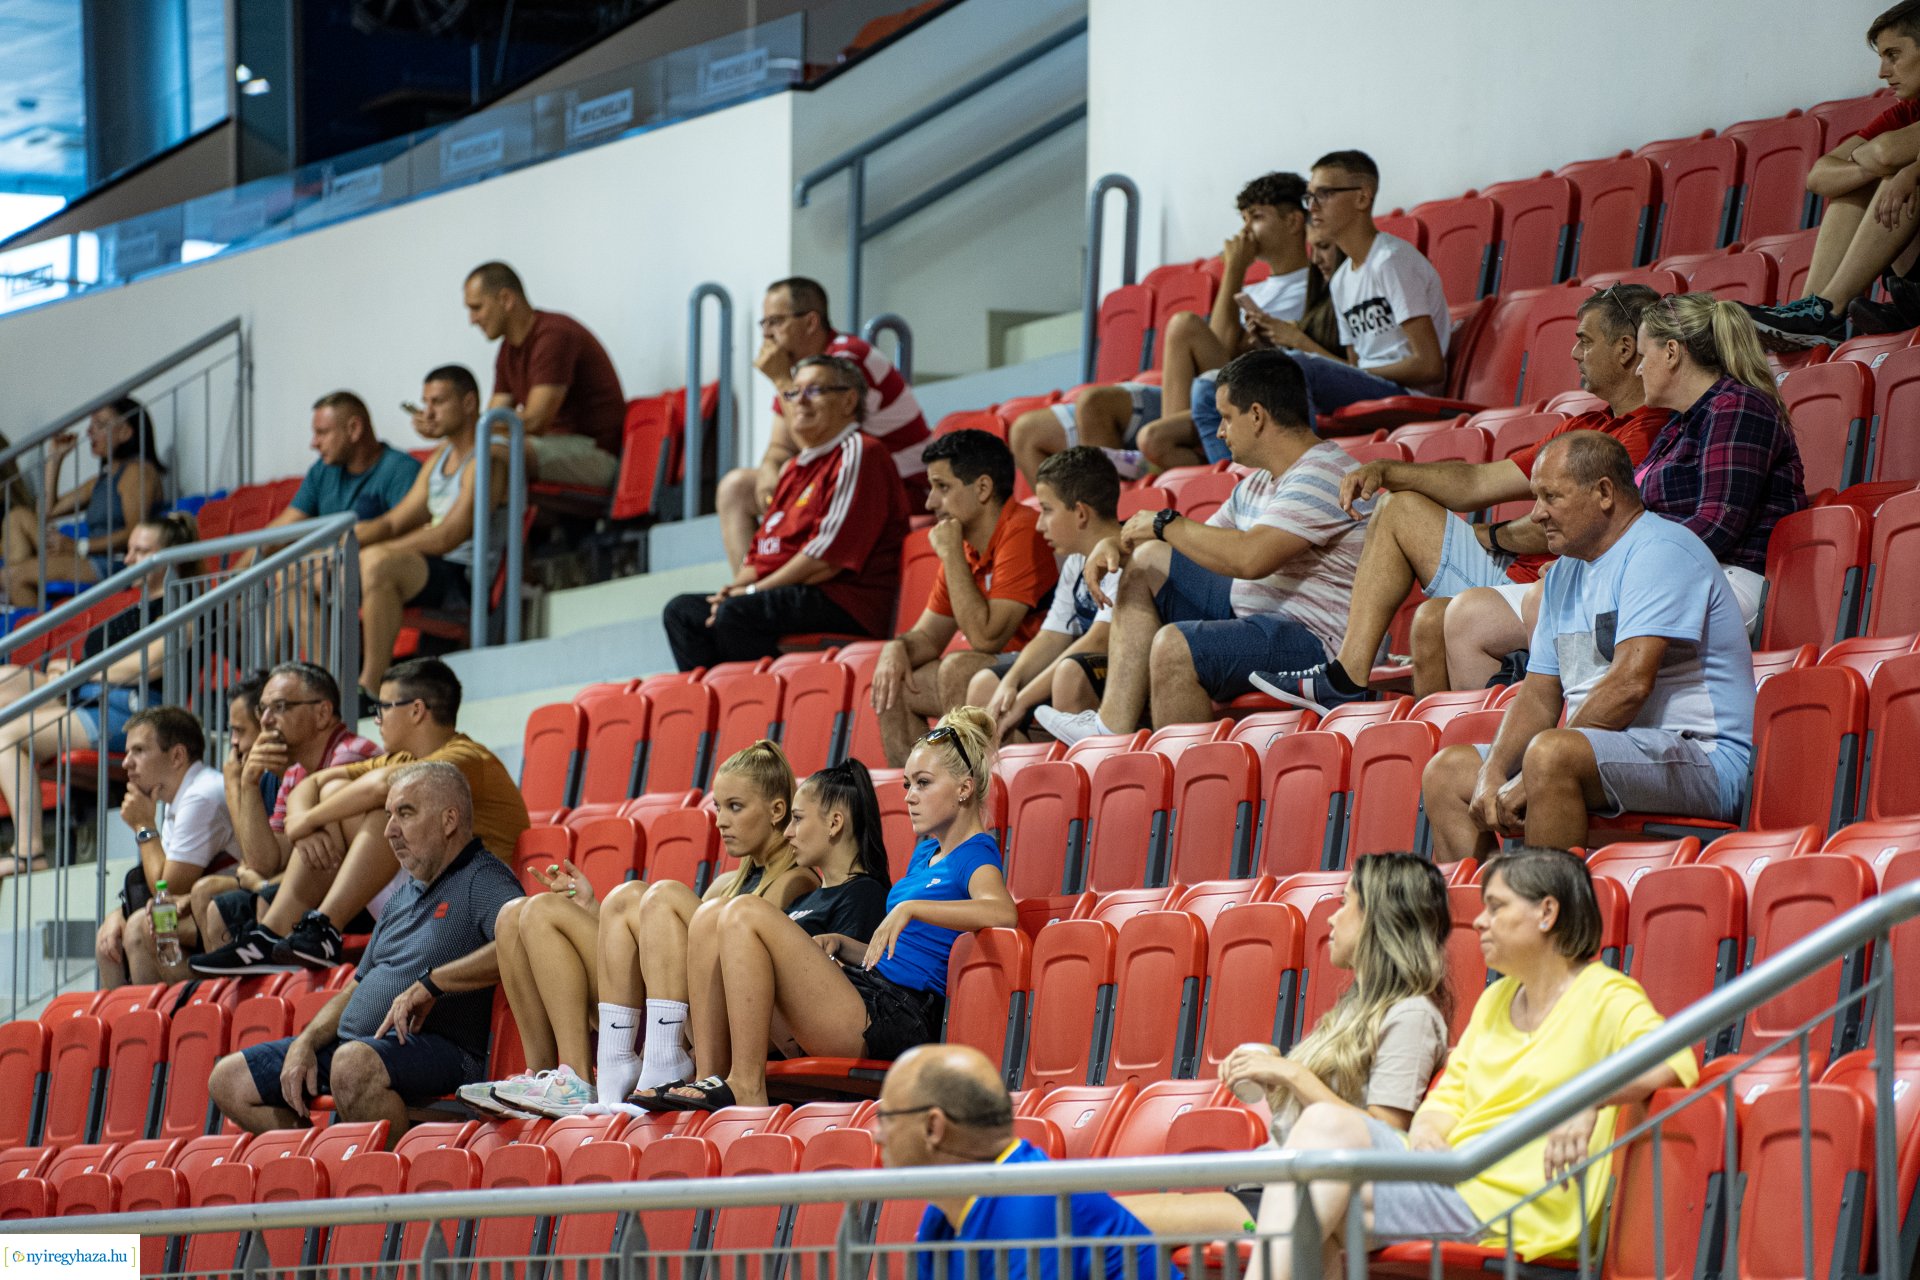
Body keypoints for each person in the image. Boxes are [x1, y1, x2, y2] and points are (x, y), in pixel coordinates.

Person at [1244, 850, 1697, 1276]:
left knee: (1326, 1131)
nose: (1479, 921)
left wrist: (1588, 1102)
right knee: (1316, 1196)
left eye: (1497, 907)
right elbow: (1450, 1096)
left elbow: (1672, 1059)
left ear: (1547, 913)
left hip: (1515, 1206)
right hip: (1453, 1180)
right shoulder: (1496, 998)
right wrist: (1425, 1132)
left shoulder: (1606, 995)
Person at [1248, 284, 1673, 711]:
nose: (1574, 354)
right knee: (1427, 618)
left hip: (1557, 587)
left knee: (1401, 514)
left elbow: (1582, 525)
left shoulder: (1644, 432)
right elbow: (1476, 483)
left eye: (1585, 340)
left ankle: (1346, 676)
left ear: (1624, 349)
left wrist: (1493, 536)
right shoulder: (1587, 423)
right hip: (1519, 575)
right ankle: (1435, 744)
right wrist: (1388, 470)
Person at [1421, 433, 1755, 860]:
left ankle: (1546, 918)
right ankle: (1487, 914)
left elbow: (1631, 685)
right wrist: (1492, 773)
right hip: (1612, 750)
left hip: (1706, 758)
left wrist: (1529, 777)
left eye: (1550, 497)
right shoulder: (1564, 574)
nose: (1537, 514)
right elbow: (1539, 695)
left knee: (1551, 756)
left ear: (1603, 493)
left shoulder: (1659, 550)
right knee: (1448, 774)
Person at [664, 708, 1016, 1110]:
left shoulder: (976, 852)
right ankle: (709, 1074)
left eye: (922, 783)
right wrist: (845, 945)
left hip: (900, 1015)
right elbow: (904, 946)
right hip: (869, 989)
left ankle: (747, 1084)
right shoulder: (926, 853)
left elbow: (1002, 912)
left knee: (745, 912)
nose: (908, 796)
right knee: (711, 918)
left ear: (964, 789)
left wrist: (911, 909)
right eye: (906, 784)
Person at [467, 741, 818, 1117]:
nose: (720, 821)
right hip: (671, 1005)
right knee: (517, 916)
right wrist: (591, 909)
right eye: (718, 808)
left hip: (722, 1022)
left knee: (640, 897)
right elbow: (667, 953)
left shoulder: (795, 882)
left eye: (735, 807)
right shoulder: (724, 886)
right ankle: (549, 1076)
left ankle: (596, 1075)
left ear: (777, 810)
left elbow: (750, 972)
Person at [1034, 350, 1366, 745]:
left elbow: (1249, 557)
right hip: (1261, 614)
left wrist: (1164, 523)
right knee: (1148, 561)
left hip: (1316, 643)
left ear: (1257, 415)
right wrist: (1114, 543)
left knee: (1174, 645)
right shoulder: (1258, 483)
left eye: (1226, 417)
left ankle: (1188, 789)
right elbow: (1190, 549)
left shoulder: (1324, 474)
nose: (1220, 432)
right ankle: (1112, 725)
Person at [1119, 853, 1453, 1238]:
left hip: (1305, 1195)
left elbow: (1387, 1137)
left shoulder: (1411, 1016)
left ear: (1378, 918)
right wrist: (1278, 1078)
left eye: (1346, 903)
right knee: (1092, 1218)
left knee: (1099, 1221)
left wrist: (1293, 1074)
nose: (1332, 917)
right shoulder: (1353, 1011)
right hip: (1273, 1182)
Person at [206, 761, 522, 1142]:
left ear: (449, 820)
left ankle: (393, 1190)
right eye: (389, 815)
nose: (390, 830)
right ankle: (326, 1166)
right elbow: (356, 987)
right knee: (229, 1080)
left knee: (352, 1064)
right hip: (357, 1049)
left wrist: (431, 985)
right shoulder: (402, 896)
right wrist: (306, 1042)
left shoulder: (483, 877)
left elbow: (517, 945)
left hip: (443, 1051)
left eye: (405, 813)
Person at [564, 757, 892, 1116]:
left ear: (834, 823)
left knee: (670, 898)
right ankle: (618, 1076)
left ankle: (663, 1064)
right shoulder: (809, 897)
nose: (788, 831)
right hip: (743, 1013)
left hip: (789, 1026)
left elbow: (844, 987)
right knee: (626, 898)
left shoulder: (858, 892)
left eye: (797, 820)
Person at [191, 658, 530, 976]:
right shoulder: (399, 759)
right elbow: (312, 783)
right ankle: (280, 933)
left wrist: (306, 821)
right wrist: (303, 822)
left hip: (476, 902)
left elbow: (384, 785)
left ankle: (322, 926)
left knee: (383, 810)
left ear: (416, 711)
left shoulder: (466, 756)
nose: (376, 718)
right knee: (337, 788)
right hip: (426, 889)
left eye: (383, 707)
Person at [1011, 172, 1336, 483]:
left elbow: (1227, 351)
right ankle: (1112, 495)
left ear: (1294, 221)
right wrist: (1235, 273)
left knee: (1183, 326)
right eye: (1244, 220)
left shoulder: (1313, 284)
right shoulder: (1256, 291)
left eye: (1256, 217)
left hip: (1246, 391)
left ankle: (1150, 460)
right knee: (1089, 404)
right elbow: (1223, 346)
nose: (1246, 232)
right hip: (1205, 389)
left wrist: (1235, 269)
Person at [662, 355, 911, 669]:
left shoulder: (860, 451)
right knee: (683, 613)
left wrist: (749, 593)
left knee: (737, 615)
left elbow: (824, 561)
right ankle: (719, 713)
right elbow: (762, 554)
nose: (800, 402)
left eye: (815, 391)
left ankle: (758, 707)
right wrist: (735, 589)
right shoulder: (794, 468)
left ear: (848, 401)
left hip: (843, 600)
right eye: (793, 393)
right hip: (793, 593)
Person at [0, 512, 197, 873]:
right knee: (5, 679)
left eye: (141, 551)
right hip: (88, 694)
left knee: (5, 737)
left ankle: (30, 854)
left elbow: (148, 665)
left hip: (130, 712)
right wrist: (69, 670)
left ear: (169, 557)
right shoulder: (131, 608)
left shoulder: (181, 607)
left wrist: (80, 671)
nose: (128, 558)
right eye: (130, 549)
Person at [881, 1043, 1175, 1280]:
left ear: (933, 1127)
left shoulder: (1031, 1204)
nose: (876, 1134)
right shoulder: (941, 1217)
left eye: (887, 1118)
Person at [719, 277, 930, 573]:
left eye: (776, 322)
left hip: (903, 489)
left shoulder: (846, 360)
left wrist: (782, 381)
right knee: (736, 488)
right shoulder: (804, 374)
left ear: (810, 322)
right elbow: (781, 445)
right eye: (763, 324)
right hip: (843, 480)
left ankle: (769, 593)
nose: (767, 335)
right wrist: (769, 471)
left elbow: (817, 442)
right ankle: (747, 588)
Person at [873, 432, 1057, 766]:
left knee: (960, 669)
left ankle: (969, 797)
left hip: (1044, 672)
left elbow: (988, 637)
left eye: (942, 487)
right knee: (893, 680)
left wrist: (950, 555)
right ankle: (915, 800)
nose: (930, 503)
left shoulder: (1023, 530)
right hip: (998, 678)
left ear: (983, 488)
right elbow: (928, 637)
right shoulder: (965, 547)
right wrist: (895, 648)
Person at [1740, 3, 1920, 344]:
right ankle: (1813, 313)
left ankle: (1827, 310)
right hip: (1910, 276)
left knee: (1897, 177)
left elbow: (1885, 152)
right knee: (1853, 187)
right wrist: (1882, 164)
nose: (1883, 72)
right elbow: (1819, 176)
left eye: (1893, 55)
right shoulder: (1906, 111)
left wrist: (1902, 168)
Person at [1230, 151, 1449, 426]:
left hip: (1411, 395)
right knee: (1224, 387)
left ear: (1362, 197)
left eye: (1325, 194)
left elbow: (1430, 367)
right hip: (1368, 387)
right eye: (1310, 197)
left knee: (1292, 368)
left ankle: (1305, 465)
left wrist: (1362, 372)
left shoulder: (1390, 261)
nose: (1313, 207)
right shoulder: (1341, 280)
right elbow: (1352, 367)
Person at [1630, 293, 1806, 630]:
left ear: (1671, 352)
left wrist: (1625, 560)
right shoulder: (1677, 424)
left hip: (1731, 575)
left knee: (1598, 617)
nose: (1637, 369)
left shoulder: (1738, 407)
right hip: (1677, 572)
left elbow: (1716, 525)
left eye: (1642, 355)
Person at [196, 662, 378, 954]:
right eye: (263, 709)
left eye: (279, 707)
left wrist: (264, 882)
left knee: (266, 897)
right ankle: (254, 998)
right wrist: (249, 785)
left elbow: (333, 864)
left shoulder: (350, 756)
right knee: (220, 911)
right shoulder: (296, 771)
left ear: (322, 713)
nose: (266, 720)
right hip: (321, 890)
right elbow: (265, 860)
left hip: (366, 899)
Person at [352, 365, 509, 701]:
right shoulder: (441, 457)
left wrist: (379, 549)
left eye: (438, 402)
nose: (427, 412)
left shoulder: (489, 457)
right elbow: (395, 521)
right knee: (316, 575)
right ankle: (332, 688)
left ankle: (369, 686)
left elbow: (448, 536)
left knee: (378, 564)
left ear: (469, 404)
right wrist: (349, 539)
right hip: (428, 565)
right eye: (425, 402)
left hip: (461, 575)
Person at [970, 447, 1126, 743]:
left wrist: (1024, 698)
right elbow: (1052, 635)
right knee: (987, 685)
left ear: (1080, 513)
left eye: (1046, 510)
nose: (1040, 524)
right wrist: (1012, 683)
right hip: (1096, 664)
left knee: (1070, 674)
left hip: (1129, 674)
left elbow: (1098, 638)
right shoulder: (1077, 562)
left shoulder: (1123, 555)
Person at [94, 707, 240, 986]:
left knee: (139, 928)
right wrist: (118, 912)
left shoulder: (202, 795)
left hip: (231, 919)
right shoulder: (178, 798)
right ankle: (131, 1024)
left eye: (139, 751)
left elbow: (166, 888)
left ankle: (168, 1023)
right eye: (127, 752)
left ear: (177, 756)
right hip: (200, 916)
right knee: (108, 938)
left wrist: (143, 826)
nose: (126, 763)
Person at [466, 261, 625, 489]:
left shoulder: (554, 335)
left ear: (506, 299)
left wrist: (469, 426)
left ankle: (458, 525)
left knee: (491, 453)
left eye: (477, 307)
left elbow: (535, 421)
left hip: (596, 453)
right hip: (548, 446)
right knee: (455, 451)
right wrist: (463, 431)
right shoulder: (507, 351)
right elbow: (495, 416)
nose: (472, 320)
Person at [2, 397, 166, 607]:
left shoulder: (138, 472)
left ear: (126, 432)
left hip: (116, 563)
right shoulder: (101, 479)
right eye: (91, 425)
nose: (90, 432)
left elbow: (135, 532)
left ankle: (36, 632)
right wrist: (56, 459)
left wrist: (80, 547)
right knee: (18, 518)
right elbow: (46, 512)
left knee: (14, 576)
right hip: (88, 557)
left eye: (100, 425)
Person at [264, 393, 422, 528]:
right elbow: (280, 531)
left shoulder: (402, 470)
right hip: (326, 562)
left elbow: (401, 535)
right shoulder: (322, 470)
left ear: (354, 429)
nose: (314, 444)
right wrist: (242, 565)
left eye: (322, 433)